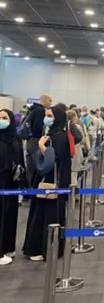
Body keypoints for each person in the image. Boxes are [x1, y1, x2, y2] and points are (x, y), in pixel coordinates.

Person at [23, 106, 71, 261]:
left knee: (49, 216)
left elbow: (55, 160)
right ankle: (40, 247)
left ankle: (46, 248)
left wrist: (42, 148)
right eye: (46, 115)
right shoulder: (52, 134)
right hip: (47, 181)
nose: (46, 118)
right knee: (41, 214)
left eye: (50, 115)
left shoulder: (59, 137)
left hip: (52, 183)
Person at [0, 109, 25, 265]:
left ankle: (8, 246)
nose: (1, 120)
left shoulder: (15, 137)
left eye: (4, 117)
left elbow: (20, 158)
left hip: (12, 182)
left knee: (10, 214)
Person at [23, 94, 52, 187]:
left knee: (30, 167)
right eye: (50, 101)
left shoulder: (33, 110)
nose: (51, 103)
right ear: (45, 100)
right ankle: (32, 188)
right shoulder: (40, 111)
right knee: (36, 166)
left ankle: (28, 187)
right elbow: (38, 127)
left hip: (30, 141)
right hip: (35, 141)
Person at [66, 110, 84, 186]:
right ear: (74, 117)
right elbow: (82, 140)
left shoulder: (65, 126)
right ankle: (73, 190)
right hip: (76, 152)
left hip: (68, 153)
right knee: (74, 175)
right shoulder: (77, 127)